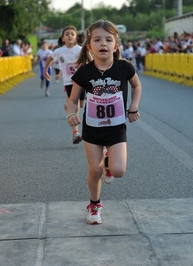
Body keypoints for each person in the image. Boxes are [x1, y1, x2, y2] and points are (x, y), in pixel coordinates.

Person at [66, 20, 142, 225]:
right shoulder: (84, 72)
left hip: (116, 128)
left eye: (108, 40)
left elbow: (136, 86)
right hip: (92, 129)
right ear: (89, 46)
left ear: (116, 45)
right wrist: (70, 115)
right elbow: (72, 100)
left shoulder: (124, 67)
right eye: (97, 39)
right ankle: (94, 204)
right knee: (95, 170)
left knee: (118, 171)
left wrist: (133, 107)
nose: (103, 43)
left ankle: (109, 162)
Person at [44, 26, 83, 144]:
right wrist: (46, 70)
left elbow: (90, 60)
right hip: (69, 82)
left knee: (81, 105)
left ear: (76, 37)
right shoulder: (59, 51)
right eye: (67, 34)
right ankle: (75, 132)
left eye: (72, 34)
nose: (70, 35)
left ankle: (68, 106)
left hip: (82, 81)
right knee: (75, 106)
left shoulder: (80, 50)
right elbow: (50, 58)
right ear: (63, 38)